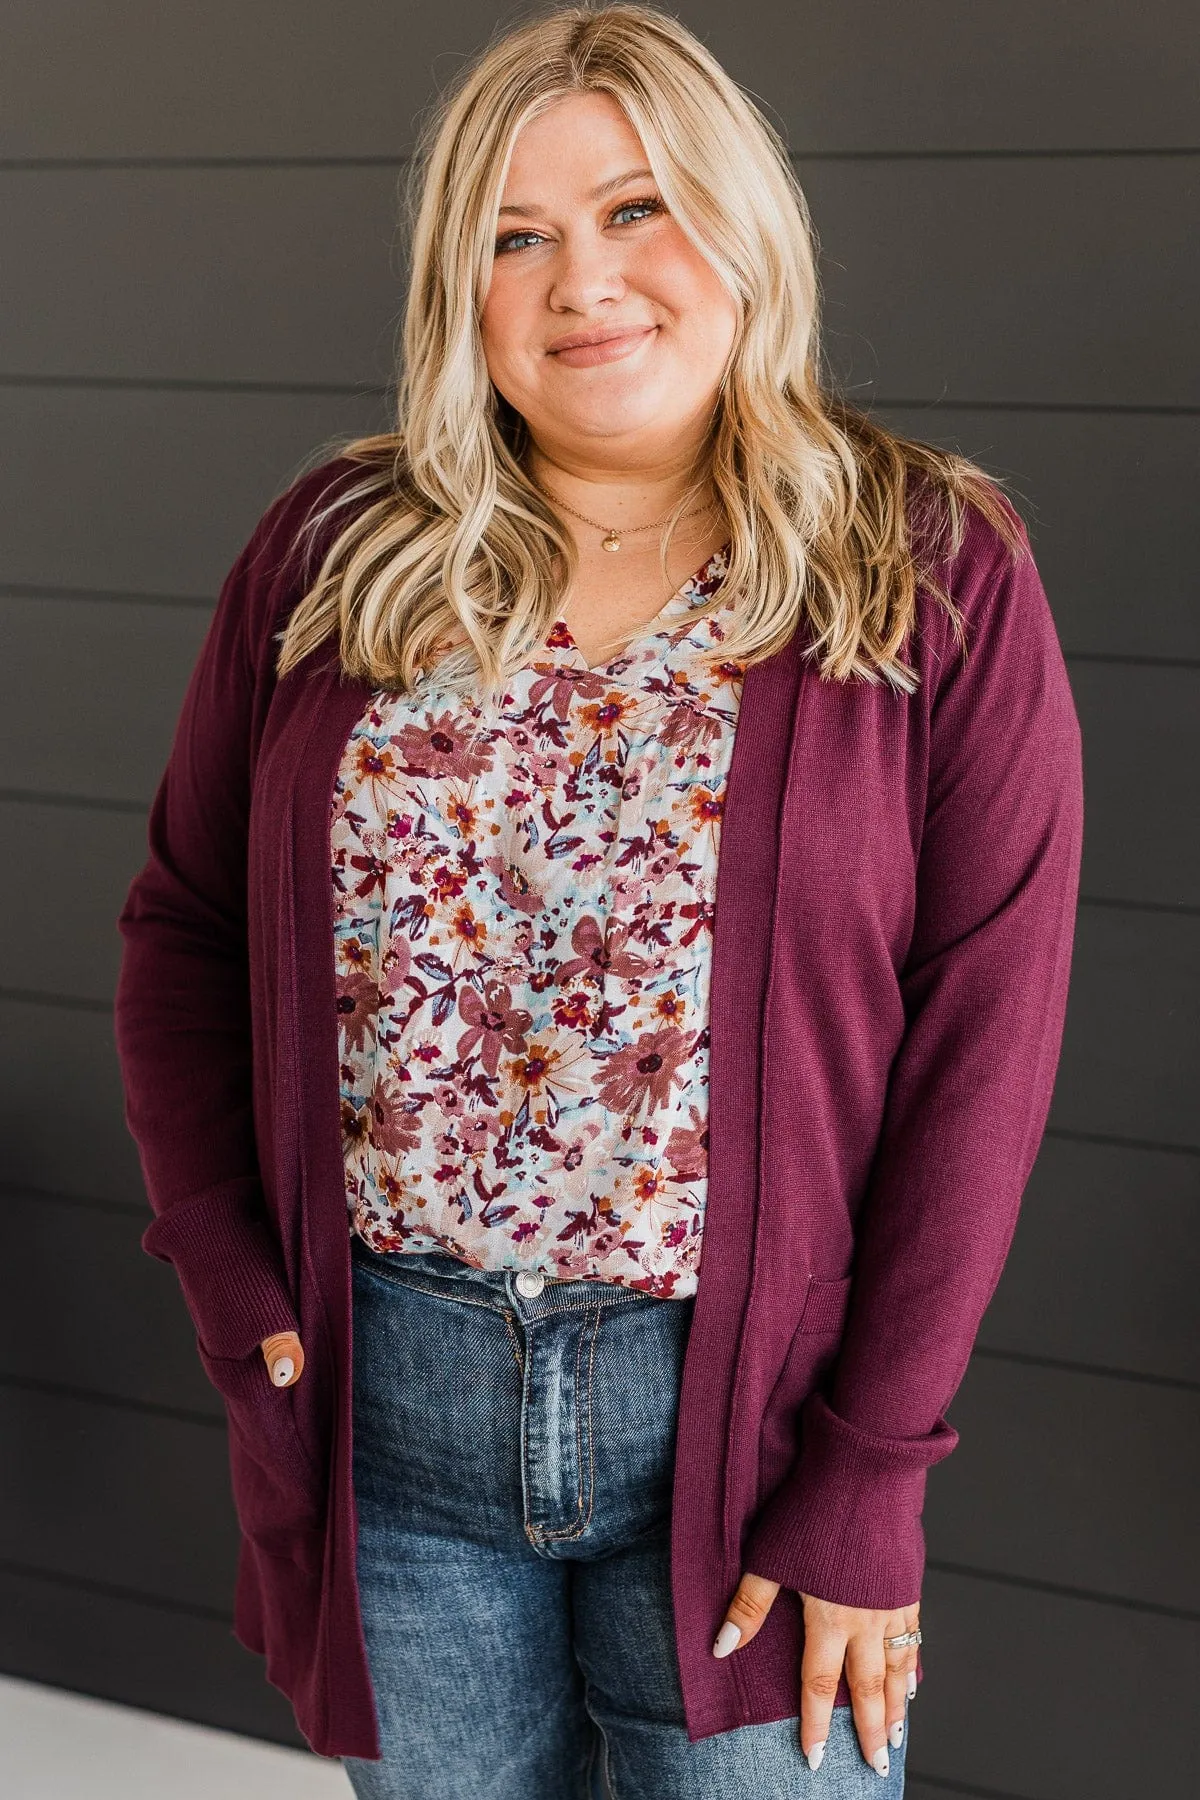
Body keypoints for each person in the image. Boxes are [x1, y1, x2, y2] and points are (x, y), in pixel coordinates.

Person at [113, 5, 1084, 1796]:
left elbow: (984, 1055)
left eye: (637, 209)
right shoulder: (335, 558)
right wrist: (227, 1255)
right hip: (390, 1430)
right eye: (517, 232)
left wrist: (870, 1472)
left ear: (739, 226)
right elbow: (180, 922)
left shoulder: (925, 569)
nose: (586, 280)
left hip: (746, 1440)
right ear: (458, 287)